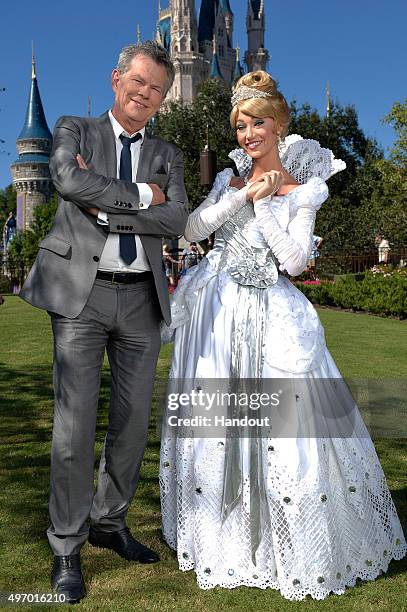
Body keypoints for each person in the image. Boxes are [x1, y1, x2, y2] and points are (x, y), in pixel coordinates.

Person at [159, 71, 406, 600]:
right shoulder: (229, 179)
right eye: (242, 125)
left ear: (279, 126)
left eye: (258, 123)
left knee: (290, 431)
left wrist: (267, 205)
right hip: (217, 315)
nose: (248, 134)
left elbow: (294, 262)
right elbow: (192, 231)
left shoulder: (304, 190)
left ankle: (292, 543)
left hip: (273, 313)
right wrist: (243, 193)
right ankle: (219, 539)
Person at [20, 41, 188, 603]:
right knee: (74, 425)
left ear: (163, 99)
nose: (145, 94)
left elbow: (177, 217)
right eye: (138, 82)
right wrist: (141, 195)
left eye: (157, 89)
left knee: (133, 423)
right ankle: (66, 543)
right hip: (82, 298)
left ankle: (109, 522)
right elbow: (68, 181)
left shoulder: (167, 151)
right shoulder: (74, 128)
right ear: (117, 79)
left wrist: (107, 203)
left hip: (143, 300)